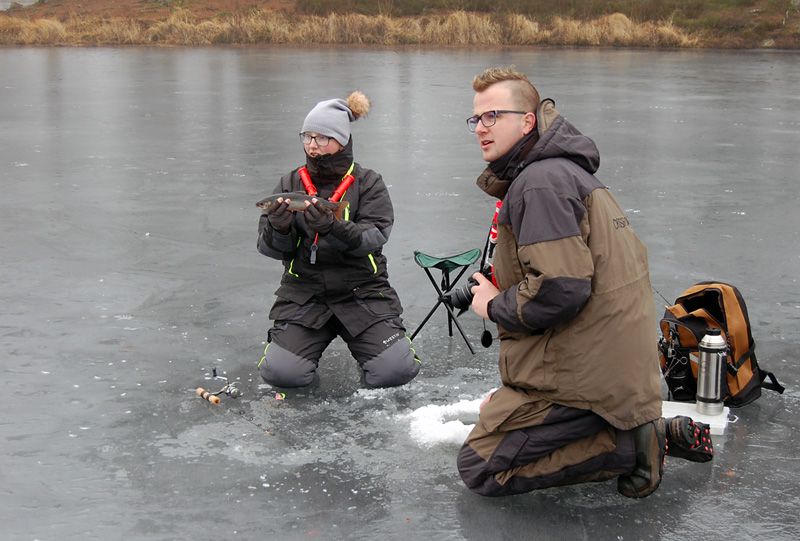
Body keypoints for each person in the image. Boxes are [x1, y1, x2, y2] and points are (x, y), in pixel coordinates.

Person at [457, 67, 713, 498]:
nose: (481, 128)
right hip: (609, 364)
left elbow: (560, 288)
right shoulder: (562, 173)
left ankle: (635, 445)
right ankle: (634, 430)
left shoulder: (539, 183)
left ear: (527, 121)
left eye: (493, 116)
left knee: (481, 468)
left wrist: (492, 305)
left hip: (586, 378)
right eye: (476, 118)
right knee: (497, 416)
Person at [256, 91, 420, 389]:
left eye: (321, 138)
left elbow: (375, 236)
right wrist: (278, 228)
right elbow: (268, 248)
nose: (312, 145)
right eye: (307, 136)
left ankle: (380, 351)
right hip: (305, 294)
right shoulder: (289, 183)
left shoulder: (368, 183)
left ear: (341, 140)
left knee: (395, 371)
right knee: (282, 374)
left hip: (362, 292)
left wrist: (334, 228)